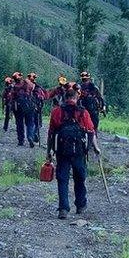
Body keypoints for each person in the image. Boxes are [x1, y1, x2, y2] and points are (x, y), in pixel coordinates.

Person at [46, 87, 101, 219]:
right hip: (79, 151)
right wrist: (96, 148)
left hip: (62, 150)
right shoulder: (83, 112)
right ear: (76, 98)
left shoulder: (56, 111)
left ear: (65, 98)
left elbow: (51, 133)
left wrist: (49, 151)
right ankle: (81, 205)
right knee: (80, 178)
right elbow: (91, 131)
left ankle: (63, 209)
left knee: (62, 179)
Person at [10, 74, 39, 147]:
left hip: (18, 107)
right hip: (28, 105)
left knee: (19, 124)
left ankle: (21, 140)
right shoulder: (26, 83)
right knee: (30, 123)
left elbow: (12, 98)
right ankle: (30, 136)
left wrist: (11, 109)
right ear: (20, 77)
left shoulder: (14, 87)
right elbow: (33, 87)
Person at [27, 72, 47, 144]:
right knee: (37, 122)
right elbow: (43, 97)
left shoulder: (25, 86)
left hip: (28, 107)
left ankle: (30, 136)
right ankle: (34, 133)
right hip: (37, 107)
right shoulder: (38, 87)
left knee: (30, 123)